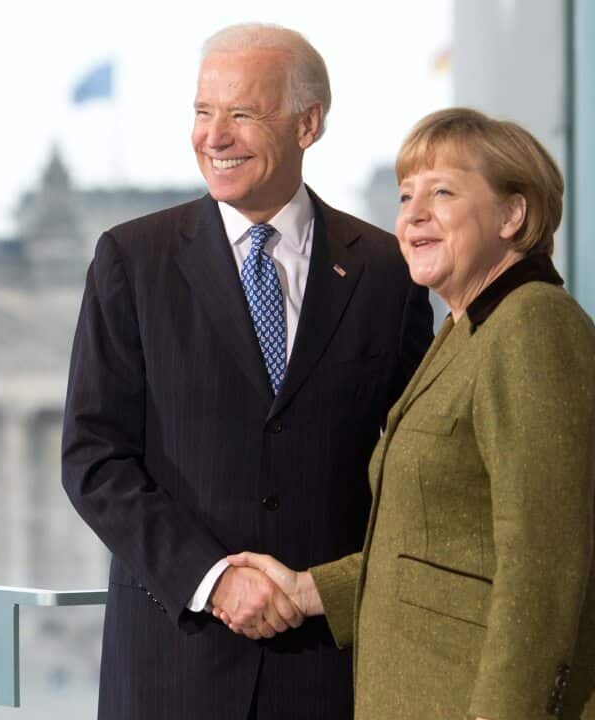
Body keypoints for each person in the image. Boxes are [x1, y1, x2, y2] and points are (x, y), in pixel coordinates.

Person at [222, 108, 595, 719]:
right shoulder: (467, 332)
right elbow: (439, 548)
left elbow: (541, 564)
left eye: (442, 192)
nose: (412, 214)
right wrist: (307, 590)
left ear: (512, 214)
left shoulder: (533, 326)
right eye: (404, 195)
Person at [61, 22, 433, 719]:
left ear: (307, 124)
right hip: (174, 668)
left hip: (332, 669)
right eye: (203, 112)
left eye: (241, 114)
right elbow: (93, 459)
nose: (214, 136)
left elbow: (419, 461)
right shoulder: (132, 261)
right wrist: (212, 578)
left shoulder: (388, 273)